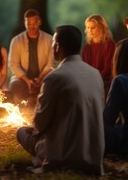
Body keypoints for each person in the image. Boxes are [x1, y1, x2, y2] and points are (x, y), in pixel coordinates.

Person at [17, 25, 105, 175]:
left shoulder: (55, 77)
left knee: (20, 132)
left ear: (58, 46)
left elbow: (40, 122)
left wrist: (35, 129)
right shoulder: (95, 74)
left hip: (63, 153)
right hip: (94, 153)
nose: (51, 46)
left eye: (53, 43)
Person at [8, 9, 54, 106]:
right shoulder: (16, 41)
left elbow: (50, 63)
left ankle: (35, 100)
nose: (32, 26)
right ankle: (31, 100)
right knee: (14, 86)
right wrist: (27, 80)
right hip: (22, 80)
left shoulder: (49, 39)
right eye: (29, 23)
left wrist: (40, 77)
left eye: (35, 22)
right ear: (25, 23)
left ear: (40, 22)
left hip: (43, 78)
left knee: (51, 85)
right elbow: (13, 65)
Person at [82, 14, 115, 99]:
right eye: (88, 27)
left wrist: (95, 80)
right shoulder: (87, 47)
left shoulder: (109, 45)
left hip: (104, 83)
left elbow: (108, 68)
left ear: (102, 27)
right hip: (89, 83)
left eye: (93, 27)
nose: (90, 30)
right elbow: (85, 67)